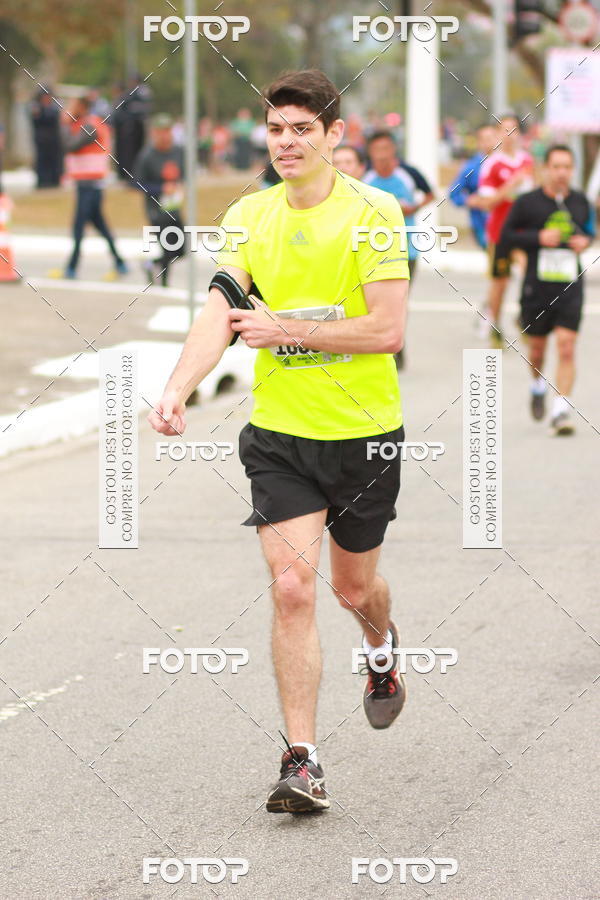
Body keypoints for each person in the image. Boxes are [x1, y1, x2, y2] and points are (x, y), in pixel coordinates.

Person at [148, 69, 410, 813]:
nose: (286, 142)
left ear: (333, 135)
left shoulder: (374, 212)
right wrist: (178, 387)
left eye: (302, 129)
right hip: (280, 436)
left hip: (363, 434)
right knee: (293, 587)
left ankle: (382, 649)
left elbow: (387, 330)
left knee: (353, 588)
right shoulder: (249, 214)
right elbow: (221, 309)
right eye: (275, 129)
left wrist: (285, 327)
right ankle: (303, 761)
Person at [502, 144, 595, 436]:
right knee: (538, 351)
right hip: (537, 287)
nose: (561, 173)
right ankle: (537, 385)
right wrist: (538, 237)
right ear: (545, 169)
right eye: (556, 167)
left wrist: (585, 242)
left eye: (567, 167)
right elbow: (506, 237)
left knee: (566, 347)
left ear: (573, 170)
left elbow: (589, 232)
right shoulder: (527, 203)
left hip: (570, 285)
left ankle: (560, 411)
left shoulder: (580, 202)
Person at [363, 130, 434, 368]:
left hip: (406, 249)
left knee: (400, 300)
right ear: (370, 153)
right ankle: (380, 346)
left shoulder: (408, 173)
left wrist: (413, 208)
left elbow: (431, 194)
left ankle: (397, 345)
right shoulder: (365, 176)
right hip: (373, 249)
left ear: (394, 149)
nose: (382, 154)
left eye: (386, 148)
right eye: (377, 149)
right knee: (374, 302)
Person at [474, 114, 534, 348]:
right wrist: (511, 186)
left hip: (525, 232)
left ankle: (523, 317)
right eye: (504, 130)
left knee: (531, 273)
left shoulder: (527, 161)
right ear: (498, 134)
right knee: (501, 282)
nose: (509, 135)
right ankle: (495, 325)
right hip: (500, 232)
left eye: (513, 130)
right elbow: (487, 203)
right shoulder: (492, 164)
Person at [59, 95, 127, 279]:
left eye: (73, 105)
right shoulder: (83, 124)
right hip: (85, 184)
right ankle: (120, 262)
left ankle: (72, 267)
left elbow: (70, 145)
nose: (69, 109)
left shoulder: (90, 126)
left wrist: (64, 124)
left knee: (79, 225)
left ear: (83, 107)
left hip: (91, 185)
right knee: (100, 226)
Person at [134, 113, 185, 287]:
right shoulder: (147, 155)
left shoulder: (178, 151)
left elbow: (183, 173)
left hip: (173, 206)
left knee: (182, 249)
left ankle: (151, 264)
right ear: (154, 133)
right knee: (168, 247)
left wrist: (179, 186)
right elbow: (137, 184)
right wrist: (161, 188)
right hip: (155, 208)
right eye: (161, 131)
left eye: (168, 131)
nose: (165, 135)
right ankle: (164, 283)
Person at [449, 124, 498, 249]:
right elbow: (453, 193)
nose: (488, 143)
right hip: (482, 224)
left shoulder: (505, 164)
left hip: (505, 221)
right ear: (478, 142)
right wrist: (470, 200)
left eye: (491, 138)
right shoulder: (471, 167)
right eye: (484, 139)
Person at [30, 88, 62, 188]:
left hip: (53, 140)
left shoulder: (54, 108)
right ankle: (42, 181)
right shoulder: (36, 107)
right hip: (41, 140)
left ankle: (54, 181)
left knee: (54, 161)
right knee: (42, 161)